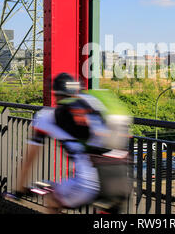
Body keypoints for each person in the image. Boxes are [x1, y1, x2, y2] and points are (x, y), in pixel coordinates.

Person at [17, 73, 131, 213]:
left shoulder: (48, 116)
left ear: (55, 94)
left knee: (53, 198)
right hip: (120, 179)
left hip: (88, 183)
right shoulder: (94, 105)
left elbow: (29, 159)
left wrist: (20, 189)